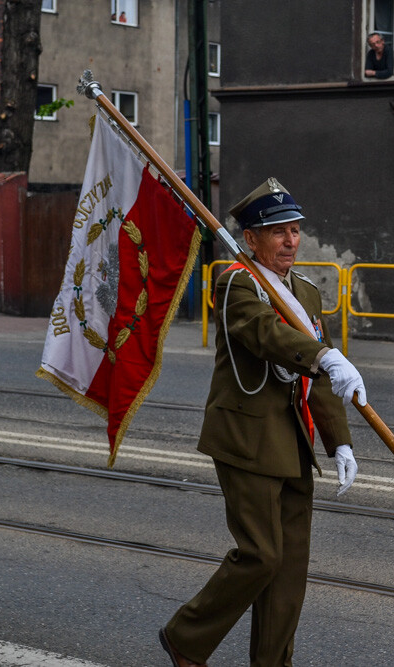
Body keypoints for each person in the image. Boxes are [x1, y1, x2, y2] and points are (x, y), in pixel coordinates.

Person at [159, 178, 366, 667]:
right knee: (261, 556)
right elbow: (265, 332)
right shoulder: (235, 283)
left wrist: (339, 442)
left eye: (295, 230)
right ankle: (186, 638)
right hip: (246, 439)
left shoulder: (307, 294)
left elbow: (322, 379)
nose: (290, 240)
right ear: (250, 239)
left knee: (289, 570)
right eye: (277, 231)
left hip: (293, 443)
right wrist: (321, 355)